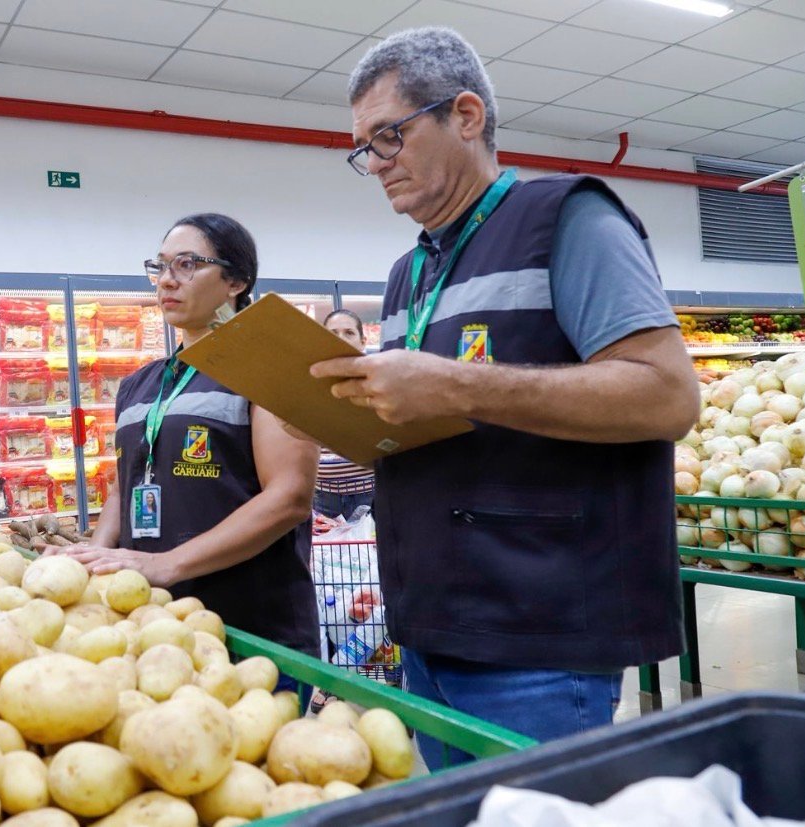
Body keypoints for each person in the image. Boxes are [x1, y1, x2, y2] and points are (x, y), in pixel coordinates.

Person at [298, 27, 699, 767]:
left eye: (389, 136)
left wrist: (450, 382)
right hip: (428, 623)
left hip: (540, 634)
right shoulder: (407, 272)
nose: (377, 165)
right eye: (364, 149)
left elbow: (667, 395)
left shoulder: (568, 219)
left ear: (468, 116)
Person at [55, 213, 322, 657]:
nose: (166, 281)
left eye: (186, 264)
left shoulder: (273, 369)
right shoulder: (139, 386)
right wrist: (90, 561)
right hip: (154, 625)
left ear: (235, 281)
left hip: (251, 631)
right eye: (159, 267)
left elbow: (290, 498)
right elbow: (124, 489)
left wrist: (165, 564)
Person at [314, 309, 376, 520]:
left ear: (363, 340)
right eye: (333, 333)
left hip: (370, 492)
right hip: (322, 495)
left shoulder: (376, 381)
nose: (340, 339)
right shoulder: (312, 384)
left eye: (349, 332)